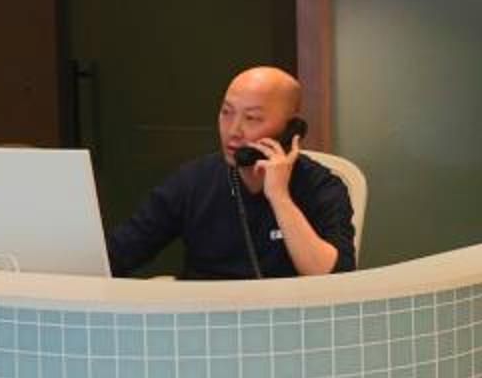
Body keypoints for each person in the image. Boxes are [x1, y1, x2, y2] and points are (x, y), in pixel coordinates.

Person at [107, 65, 355, 279]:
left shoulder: (322, 186)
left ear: (291, 129)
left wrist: (280, 198)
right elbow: (121, 251)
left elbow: (335, 279)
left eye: (252, 118)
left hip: (287, 316)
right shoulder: (193, 181)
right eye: (226, 113)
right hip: (206, 314)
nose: (233, 131)